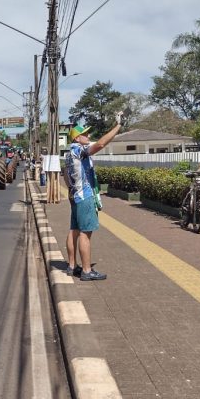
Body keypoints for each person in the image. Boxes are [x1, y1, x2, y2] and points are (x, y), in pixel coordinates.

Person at [63, 112, 123, 281]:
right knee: (85, 233)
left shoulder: (69, 154)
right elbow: (101, 143)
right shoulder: (80, 150)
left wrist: (71, 190)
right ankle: (87, 271)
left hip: (75, 196)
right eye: (85, 134)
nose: (88, 136)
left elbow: (65, 174)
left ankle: (72, 265)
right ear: (76, 138)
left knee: (73, 230)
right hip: (85, 196)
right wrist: (118, 126)